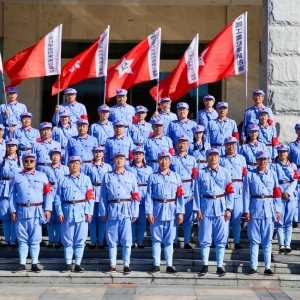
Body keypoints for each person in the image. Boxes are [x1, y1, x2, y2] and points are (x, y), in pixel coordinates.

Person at [10, 151, 52, 273]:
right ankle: (22, 263)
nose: (29, 162)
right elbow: (12, 195)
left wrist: (48, 209)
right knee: (22, 239)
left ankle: (34, 263)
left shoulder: (42, 176)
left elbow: (48, 193)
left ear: (35, 162)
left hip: (36, 211)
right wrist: (13, 210)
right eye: (26, 160)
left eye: (31, 160)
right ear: (22, 162)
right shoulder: (16, 176)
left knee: (35, 238)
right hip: (21, 210)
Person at [194, 147, 234, 275]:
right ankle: (205, 265)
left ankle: (219, 265)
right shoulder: (200, 173)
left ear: (219, 157)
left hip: (221, 207)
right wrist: (198, 209)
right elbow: (196, 193)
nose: (213, 158)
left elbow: (230, 192)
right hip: (206, 206)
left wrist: (229, 208)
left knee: (221, 238)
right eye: (210, 155)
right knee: (205, 237)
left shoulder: (226, 172)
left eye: (215, 155)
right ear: (206, 158)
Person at [99, 151, 140, 274]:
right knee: (112, 239)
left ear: (125, 161)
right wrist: (103, 211)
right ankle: (112, 264)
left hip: (126, 209)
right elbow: (102, 196)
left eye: (121, 158)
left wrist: (135, 212)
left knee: (127, 239)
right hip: (112, 209)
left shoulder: (131, 176)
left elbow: (135, 195)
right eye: (117, 158)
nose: (119, 161)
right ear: (113, 160)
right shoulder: (107, 176)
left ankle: (126, 264)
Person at [145, 150, 184, 274]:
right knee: (156, 239)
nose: (163, 161)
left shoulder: (176, 177)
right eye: (161, 159)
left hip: (171, 210)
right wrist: (149, 212)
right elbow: (148, 196)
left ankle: (169, 264)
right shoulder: (152, 176)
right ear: (157, 161)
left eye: (166, 159)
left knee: (169, 239)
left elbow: (180, 196)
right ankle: (156, 264)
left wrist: (180, 212)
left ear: (170, 161)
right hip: (157, 209)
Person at [244, 151, 282, 276]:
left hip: (269, 209)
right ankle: (253, 267)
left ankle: (267, 267)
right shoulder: (249, 175)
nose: (262, 161)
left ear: (268, 160)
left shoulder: (273, 174)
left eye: (265, 159)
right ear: (256, 160)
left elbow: (277, 193)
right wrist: (246, 211)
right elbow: (245, 195)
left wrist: (278, 210)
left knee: (267, 240)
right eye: (260, 159)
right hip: (255, 208)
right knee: (254, 239)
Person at [55, 156, 95, 273]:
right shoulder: (62, 179)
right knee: (67, 239)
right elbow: (57, 198)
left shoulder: (86, 179)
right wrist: (59, 212)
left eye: (77, 163)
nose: (75, 165)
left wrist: (89, 212)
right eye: (72, 163)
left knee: (80, 240)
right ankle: (68, 263)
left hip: (81, 211)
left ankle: (77, 263)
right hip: (67, 211)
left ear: (80, 165)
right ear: (68, 165)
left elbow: (90, 197)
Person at [170, 134, 198, 250]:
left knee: (187, 218)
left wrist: (193, 193)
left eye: (184, 143)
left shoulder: (192, 159)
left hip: (188, 191)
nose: (182, 145)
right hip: (175, 192)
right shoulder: (171, 159)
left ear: (188, 145)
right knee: (174, 218)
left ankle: (186, 241)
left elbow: (195, 177)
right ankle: (174, 240)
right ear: (176, 144)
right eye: (180, 143)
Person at [219, 136, 247, 249]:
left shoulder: (241, 159)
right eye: (228, 144)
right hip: (225, 191)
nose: (231, 146)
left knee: (236, 217)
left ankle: (236, 241)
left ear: (236, 145)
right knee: (225, 218)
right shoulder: (220, 159)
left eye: (233, 144)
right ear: (225, 146)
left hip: (238, 190)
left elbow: (245, 175)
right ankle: (224, 241)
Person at [271, 144, 299, 253]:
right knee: (280, 221)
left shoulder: (293, 166)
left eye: (284, 152)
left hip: (290, 195)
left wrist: (288, 192)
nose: (282, 154)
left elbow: (295, 180)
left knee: (288, 221)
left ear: (288, 153)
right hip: (279, 194)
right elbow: (273, 181)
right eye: (280, 152)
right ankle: (281, 244)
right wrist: (282, 192)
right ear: (278, 153)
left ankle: (288, 243)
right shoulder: (273, 166)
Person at [84, 146, 112, 249]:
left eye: (100, 152)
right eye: (96, 152)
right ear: (93, 153)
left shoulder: (108, 167)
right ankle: (92, 241)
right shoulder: (88, 167)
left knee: (102, 218)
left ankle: (100, 241)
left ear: (103, 154)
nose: (98, 154)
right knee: (92, 218)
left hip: (103, 193)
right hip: (92, 192)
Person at [126, 146, 153, 248]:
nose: (138, 156)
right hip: (132, 196)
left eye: (140, 154)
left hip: (144, 195)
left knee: (142, 220)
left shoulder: (149, 169)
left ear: (143, 156)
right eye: (136, 154)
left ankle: (140, 240)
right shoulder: (128, 168)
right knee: (132, 219)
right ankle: (132, 240)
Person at [0, 138, 22, 247]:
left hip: (16, 188)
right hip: (3, 188)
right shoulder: (2, 160)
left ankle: (13, 239)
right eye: (9, 145)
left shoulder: (22, 160)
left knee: (14, 214)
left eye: (13, 145)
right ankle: (6, 239)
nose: (11, 147)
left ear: (16, 147)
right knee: (5, 214)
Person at [46, 148, 69, 248]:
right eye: (53, 155)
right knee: (50, 218)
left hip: (60, 194)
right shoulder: (46, 169)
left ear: (60, 157)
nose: (55, 157)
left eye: (57, 155)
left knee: (60, 217)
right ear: (50, 157)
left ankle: (58, 239)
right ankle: (51, 240)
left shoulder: (65, 168)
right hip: (50, 193)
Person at [288, 123, 300, 228]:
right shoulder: (291, 146)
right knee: (295, 195)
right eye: (299, 130)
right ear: (296, 131)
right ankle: (295, 220)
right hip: (296, 171)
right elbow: (289, 161)